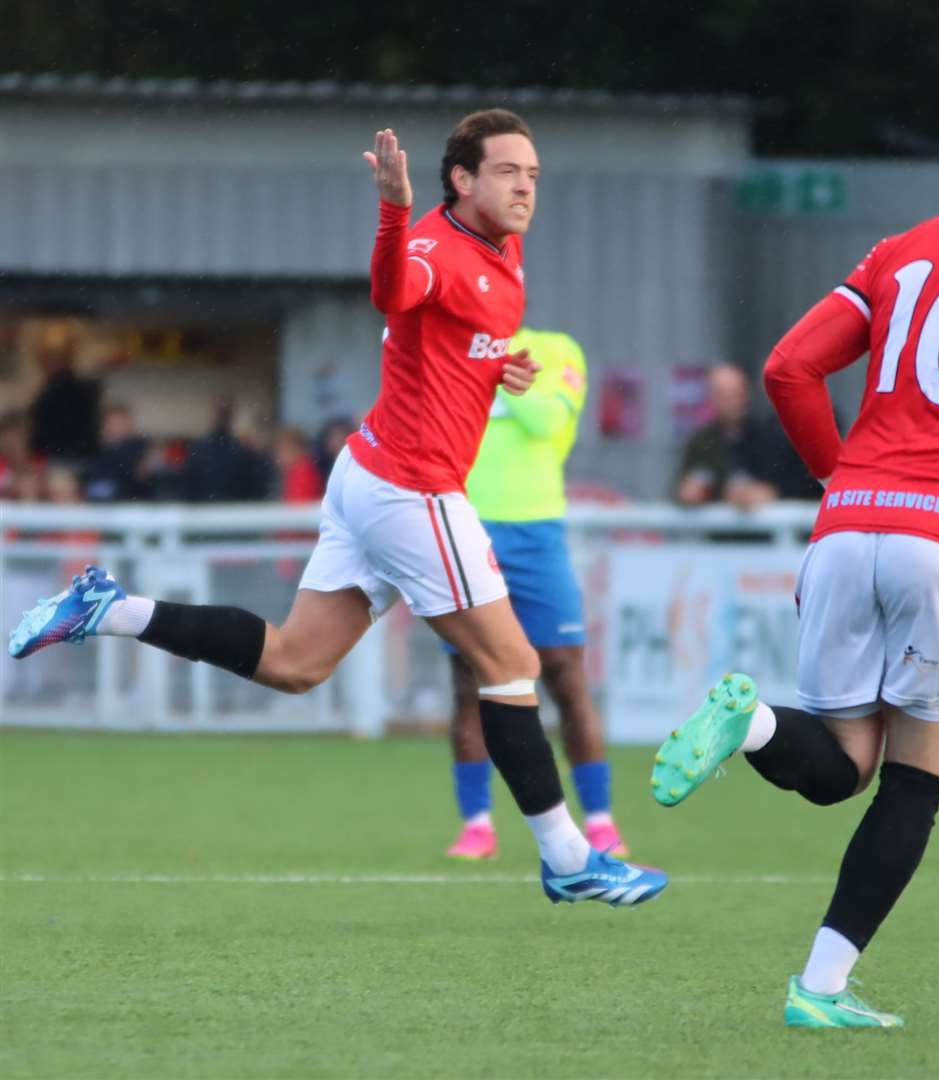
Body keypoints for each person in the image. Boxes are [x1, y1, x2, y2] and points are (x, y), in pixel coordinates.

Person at [8, 111, 667, 907]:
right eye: (508, 172)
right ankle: (569, 858)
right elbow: (393, 291)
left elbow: (448, 342)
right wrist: (391, 211)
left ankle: (110, 609)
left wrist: (496, 367)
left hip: (370, 473)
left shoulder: (505, 247)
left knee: (295, 664)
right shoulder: (430, 246)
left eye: (533, 173)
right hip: (412, 487)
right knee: (513, 666)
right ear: (461, 180)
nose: (526, 185)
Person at [648, 68, 939, 1028]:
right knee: (913, 781)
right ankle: (816, 989)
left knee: (842, 767)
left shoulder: (902, 248)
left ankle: (747, 728)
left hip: (847, 529)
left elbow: (789, 366)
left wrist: (840, 477)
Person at [442, 326, 629, 861]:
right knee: (467, 681)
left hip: (537, 531)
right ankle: (477, 825)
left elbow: (548, 419)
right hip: (466, 524)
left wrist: (492, 370)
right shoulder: (455, 342)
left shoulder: (558, 348)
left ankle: (599, 823)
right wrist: (501, 372)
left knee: (566, 674)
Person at [675, 363, 824, 509]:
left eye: (735, 394)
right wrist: (692, 493)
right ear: (711, 397)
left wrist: (773, 493)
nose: (730, 402)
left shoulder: (771, 437)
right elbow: (683, 487)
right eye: (722, 395)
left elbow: (804, 486)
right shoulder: (701, 441)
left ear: (746, 394)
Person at [82, 403, 155, 502]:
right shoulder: (93, 449)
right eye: (113, 423)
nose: (118, 428)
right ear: (103, 425)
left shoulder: (142, 448)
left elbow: (143, 475)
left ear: (130, 425)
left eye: (122, 423)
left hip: (132, 502)